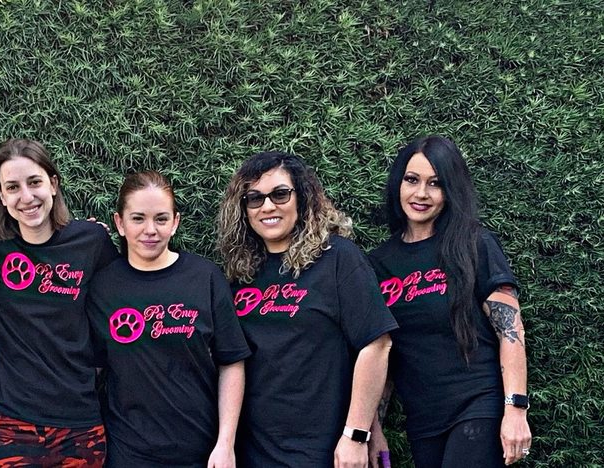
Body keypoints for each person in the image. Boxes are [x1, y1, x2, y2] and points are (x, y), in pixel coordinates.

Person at [216, 151, 397, 467]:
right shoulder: (240, 273)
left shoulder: (338, 258)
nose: (267, 206)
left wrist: (357, 434)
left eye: (280, 194)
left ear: (301, 196)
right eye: (254, 198)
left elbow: (377, 345)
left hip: (324, 448)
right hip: (253, 450)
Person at [367, 136, 530, 467]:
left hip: (477, 405)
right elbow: (382, 352)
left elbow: (511, 331)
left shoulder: (474, 244)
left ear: (450, 190)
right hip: (423, 420)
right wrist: (373, 428)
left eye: (435, 183)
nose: (421, 193)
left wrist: (515, 409)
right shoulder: (379, 263)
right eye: (412, 180)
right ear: (398, 184)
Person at [87, 171, 250, 468]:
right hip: (128, 453)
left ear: (175, 222)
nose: (150, 230)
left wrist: (226, 443)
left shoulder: (204, 277)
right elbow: (91, 368)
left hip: (200, 451)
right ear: (119, 223)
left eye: (161, 219)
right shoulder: (102, 287)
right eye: (138, 218)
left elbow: (231, 362)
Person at [0, 138, 119, 467]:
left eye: (35, 182)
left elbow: (117, 307)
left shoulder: (91, 241)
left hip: (78, 423)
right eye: (12, 187)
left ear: (53, 184)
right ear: (1, 196)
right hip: (9, 420)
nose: (26, 197)